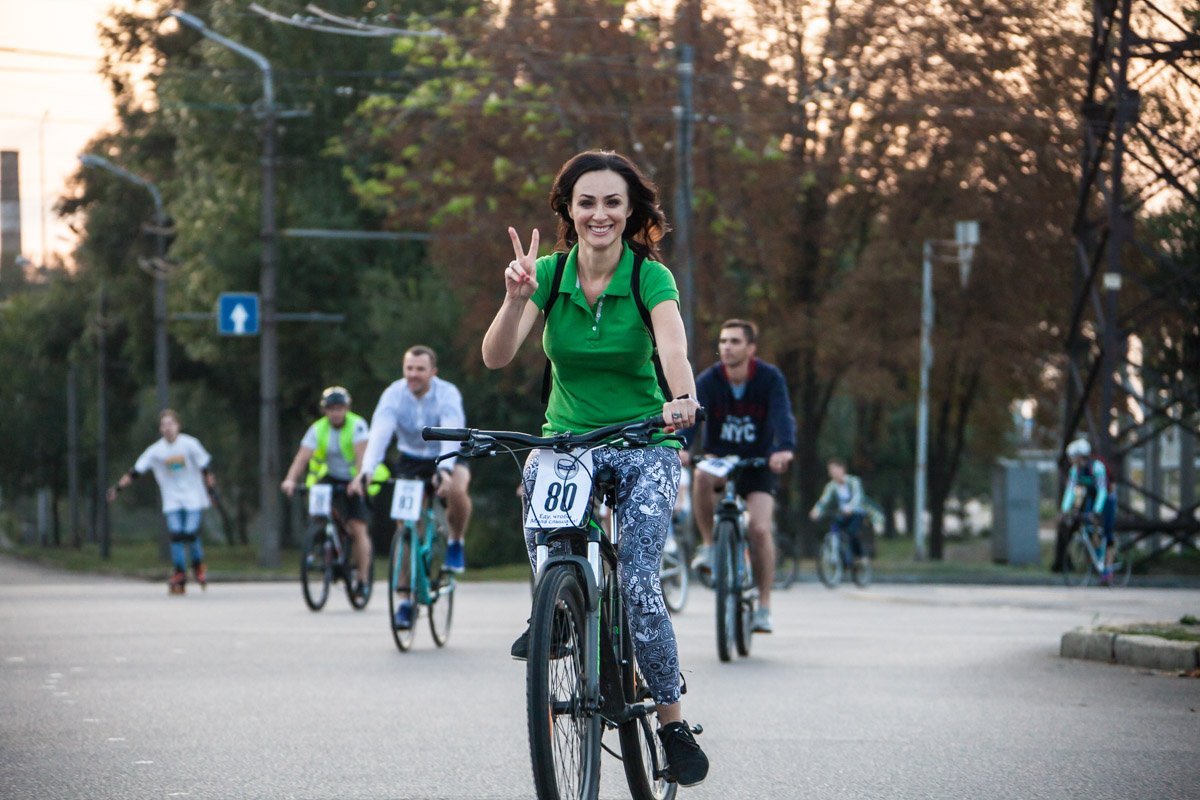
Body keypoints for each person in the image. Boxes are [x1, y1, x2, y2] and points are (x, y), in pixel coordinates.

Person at [481, 149, 708, 787]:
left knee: (637, 582)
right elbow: (496, 356)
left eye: (612, 202)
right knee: (539, 489)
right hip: (569, 441)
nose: (599, 213)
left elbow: (674, 348)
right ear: (569, 209)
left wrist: (682, 398)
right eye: (587, 202)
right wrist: (514, 299)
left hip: (644, 442)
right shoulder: (546, 275)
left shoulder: (649, 278)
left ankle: (671, 724)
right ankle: (555, 607)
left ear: (631, 211)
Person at [685, 319, 796, 634]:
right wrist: (682, 447)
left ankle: (764, 606)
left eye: (734, 341)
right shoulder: (708, 380)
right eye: (723, 341)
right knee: (701, 476)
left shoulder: (769, 378)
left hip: (758, 463)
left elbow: (782, 415)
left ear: (751, 348)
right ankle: (710, 546)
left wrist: (784, 448)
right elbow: (693, 417)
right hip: (720, 462)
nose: (727, 347)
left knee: (759, 529)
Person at [351, 345, 472, 629]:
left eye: (420, 369)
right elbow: (380, 434)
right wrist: (366, 471)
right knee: (406, 527)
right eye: (409, 369)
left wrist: (444, 470)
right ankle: (405, 601)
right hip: (411, 459)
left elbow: (452, 430)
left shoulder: (447, 393)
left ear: (433, 372)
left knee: (457, 490)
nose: (413, 374)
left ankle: (455, 541)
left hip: (448, 453)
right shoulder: (393, 394)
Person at [107, 409, 216, 594]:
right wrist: (117, 488)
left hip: (194, 498)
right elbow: (135, 472)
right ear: (160, 429)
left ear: (178, 426)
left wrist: (212, 492)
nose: (167, 428)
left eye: (170, 424)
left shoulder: (190, 444)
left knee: (190, 532)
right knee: (176, 534)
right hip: (172, 499)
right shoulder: (156, 451)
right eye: (164, 425)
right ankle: (179, 572)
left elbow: (206, 468)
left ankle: (198, 565)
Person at [280, 386, 374, 600]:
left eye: (340, 409)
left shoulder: (357, 425)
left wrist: (358, 481)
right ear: (325, 410)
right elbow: (302, 457)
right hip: (330, 477)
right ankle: (322, 542)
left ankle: (362, 579)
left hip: (354, 478)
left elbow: (362, 457)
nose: (336, 413)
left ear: (347, 409)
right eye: (331, 409)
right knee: (319, 514)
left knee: (357, 528)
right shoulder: (318, 428)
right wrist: (291, 479)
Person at [1060, 437, 1118, 583]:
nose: (1070, 460)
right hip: (1092, 496)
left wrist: (1097, 511)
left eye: (1072, 457)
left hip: (1107, 497)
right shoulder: (1075, 471)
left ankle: (1108, 568)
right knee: (1089, 527)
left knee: (1108, 532)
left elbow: (1102, 491)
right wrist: (1065, 509)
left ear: (1080, 456)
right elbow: (1070, 491)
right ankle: (1097, 555)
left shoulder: (1097, 467)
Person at [809, 458, 869, 569]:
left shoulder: (853, 481)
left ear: (842, 469)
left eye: (834, 469)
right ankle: (839, 557)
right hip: (842, 514)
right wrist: (817, 510)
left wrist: (850, 508)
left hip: (856, 512)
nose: (832, 473)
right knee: (834, 529)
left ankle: (859, 556)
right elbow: (824, 500)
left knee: (851, 532)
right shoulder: (831, 486)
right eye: (830, 471)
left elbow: (858, 497)